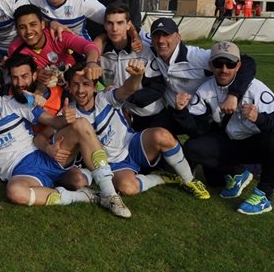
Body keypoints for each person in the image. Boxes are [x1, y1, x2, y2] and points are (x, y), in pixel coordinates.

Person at [0, 63, 132, 217]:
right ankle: (87, 197)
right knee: (15, 192)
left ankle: (110, 195)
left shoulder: (13, 102)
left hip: (45, 155)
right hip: (22, 174)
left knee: (81, 124)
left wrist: (66, 119)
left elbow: (51, 121)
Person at [174, 41, 274, 215]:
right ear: (210, 66)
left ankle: (264, 194)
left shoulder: (255, 88)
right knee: (193, 149)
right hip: (234, 141)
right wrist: (181, 112)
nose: (224, 69)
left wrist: (259, 118)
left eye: (230, 64)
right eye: (218, 64)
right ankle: (239, 173)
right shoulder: (206, 89)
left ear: (238, 66)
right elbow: (196, 130)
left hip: (259, 143)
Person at [64, 61, 210, 200]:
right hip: (112, 165)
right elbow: (53, 132)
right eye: (75, 85)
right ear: (69, 88)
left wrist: (136, 76)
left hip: (132, 145)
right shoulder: (68, 113)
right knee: (128, 188)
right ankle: (162, 178)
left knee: (162, 135)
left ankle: (189, 180)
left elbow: (128, 89)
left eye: (86, 84)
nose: (81, 90)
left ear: (95, 87)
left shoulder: (105, 97)